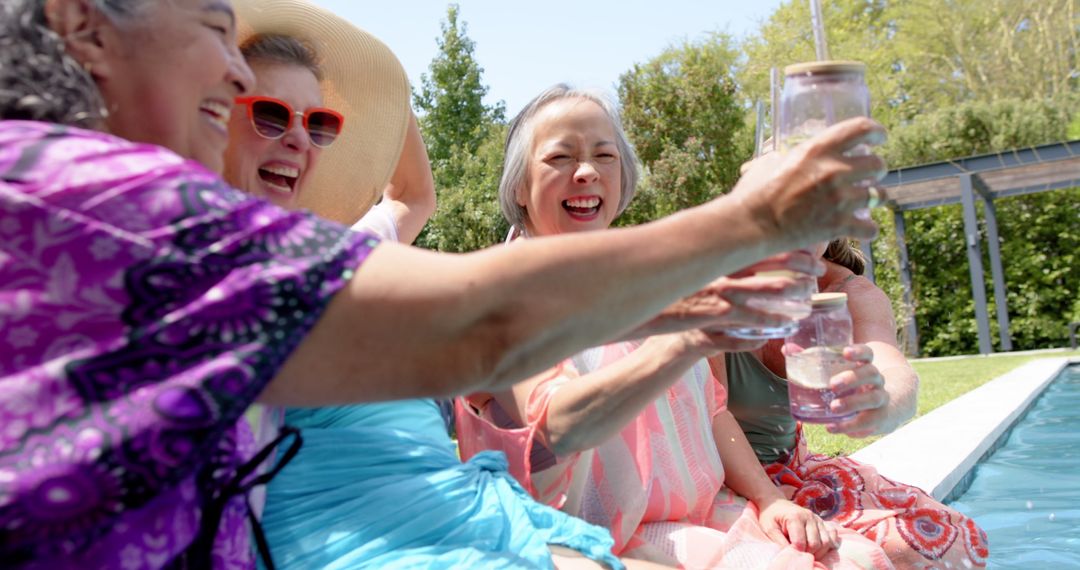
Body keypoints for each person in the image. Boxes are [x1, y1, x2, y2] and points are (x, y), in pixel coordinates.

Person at [0, 0, 885, 566]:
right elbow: (480, 326)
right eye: (209, 24)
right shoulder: (102, 202)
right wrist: (747, 223)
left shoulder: (86, 202)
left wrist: (704, 305)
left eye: (323, 122)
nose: (233, 74)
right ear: (82, 25)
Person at [221, 20, 626, 569]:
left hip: (458, 505)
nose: (297, 136)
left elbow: (415, 194)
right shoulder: (196, 263)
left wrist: (390, 98)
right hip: (361, 534)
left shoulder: (348, 249)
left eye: (319, 123)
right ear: (214, 115)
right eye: (271, 114)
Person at [455, 85, 895, 569]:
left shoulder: (650, 277)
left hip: (703, 516)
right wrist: (688, 338)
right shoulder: (501, 292)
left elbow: (713, 410)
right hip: (588, 541)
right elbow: (558, 424)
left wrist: (770, 499)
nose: (587, 172)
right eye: (560, 157)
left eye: (605, 156)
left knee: (864, 558)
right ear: (518, 185)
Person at [714, 238, 989, 568]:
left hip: (786, 466)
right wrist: (767, 497)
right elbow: (714, 410)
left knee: (942, 542)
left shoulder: (848, 294)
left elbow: (894, 372)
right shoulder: (716, 286)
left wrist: (882, 405)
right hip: (716, 471)